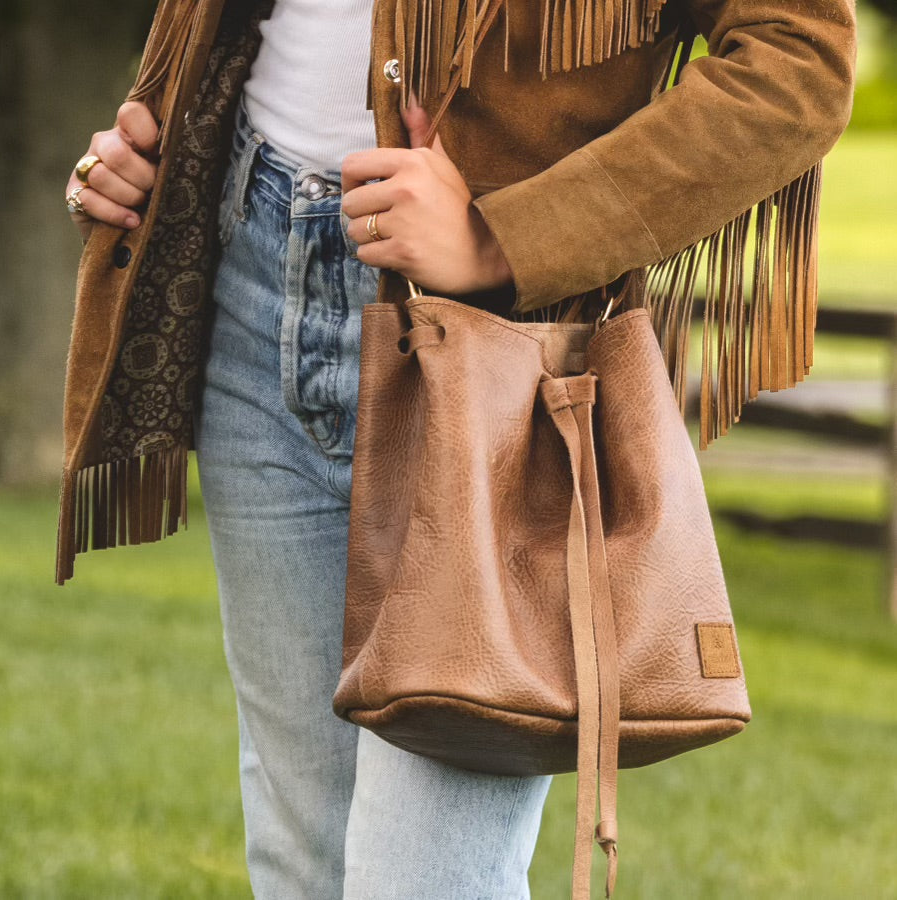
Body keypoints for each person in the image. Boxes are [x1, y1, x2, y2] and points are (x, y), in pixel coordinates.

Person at [61, 1, 856, 897]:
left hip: (492, 353)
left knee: (424, 882)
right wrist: (146, 140)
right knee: (300, 862)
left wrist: (509, 234)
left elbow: (800, 62)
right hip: (255, 276)